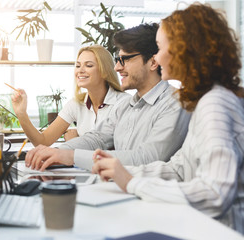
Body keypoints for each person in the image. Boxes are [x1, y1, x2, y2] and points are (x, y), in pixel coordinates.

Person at [92, 3, 244, 234]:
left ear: (183, 50)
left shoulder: (215, 105)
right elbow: (179, 169)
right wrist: (122, 172)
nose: (158, 57)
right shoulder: (204, 99)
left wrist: (133, 183)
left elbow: (215, 194)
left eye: (160, 48)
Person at [25, 23, 191, 171]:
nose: (117, 67)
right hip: (117, 190)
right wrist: (57, 152)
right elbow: (96, 139)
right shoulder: (126, 106)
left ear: (153, 63)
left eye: (124, 59)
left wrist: (72, 157)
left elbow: (148, 158)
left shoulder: (175, 104)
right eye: (118, 59)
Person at [11, 45, 128, 147]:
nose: (80, 70)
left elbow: (123, 152)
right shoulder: (76, 104)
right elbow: (43, 141)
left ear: (105, 71)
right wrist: (21, 114)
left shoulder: (124, 104)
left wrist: (76, 143)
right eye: (78, 66)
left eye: (89, 65)